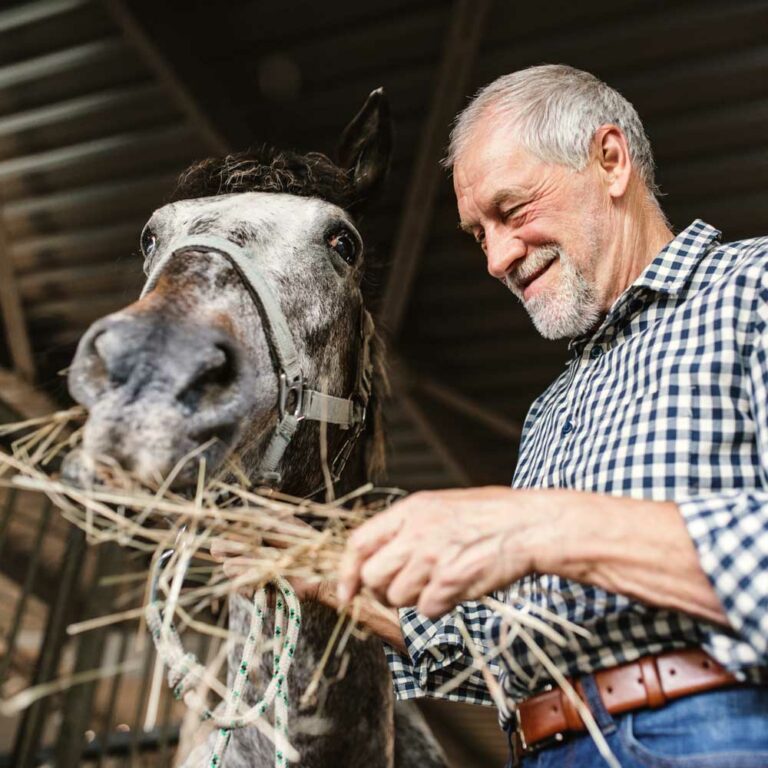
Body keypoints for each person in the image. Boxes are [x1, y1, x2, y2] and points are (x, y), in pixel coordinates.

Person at [331, 65, 768, 766]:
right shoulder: (551, 409)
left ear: (611, 160)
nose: (497, 257)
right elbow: (520, 646)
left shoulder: (754, 288)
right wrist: (331, 581)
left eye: (513, 210)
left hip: (706, 735)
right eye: (479, 234)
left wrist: (536, 526)